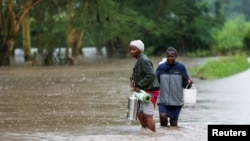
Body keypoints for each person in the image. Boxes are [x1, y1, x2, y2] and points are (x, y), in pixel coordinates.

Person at [156, 46, 193, 127]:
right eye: (168, 56)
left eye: (172, 56)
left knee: (174, 125)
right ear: (166, 56)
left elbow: (185, 85)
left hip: (176, 101)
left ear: (176, 57)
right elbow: (155, 83)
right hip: (163, 100)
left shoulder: (181, 68)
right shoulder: (161, 68)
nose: (170, 58)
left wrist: (189, 83)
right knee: (163, 117)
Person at [129, 39, 160, 132]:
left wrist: (139, 84)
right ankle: (146, 133)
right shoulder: (140, 60)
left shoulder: (144, 60)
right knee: (140, 114)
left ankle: (153, 136)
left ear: (139, 50)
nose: (131, 52)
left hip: (150, 91)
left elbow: (151, 74)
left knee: (147, 115)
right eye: (130, 49)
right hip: (143, 91)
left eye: (134, 49)